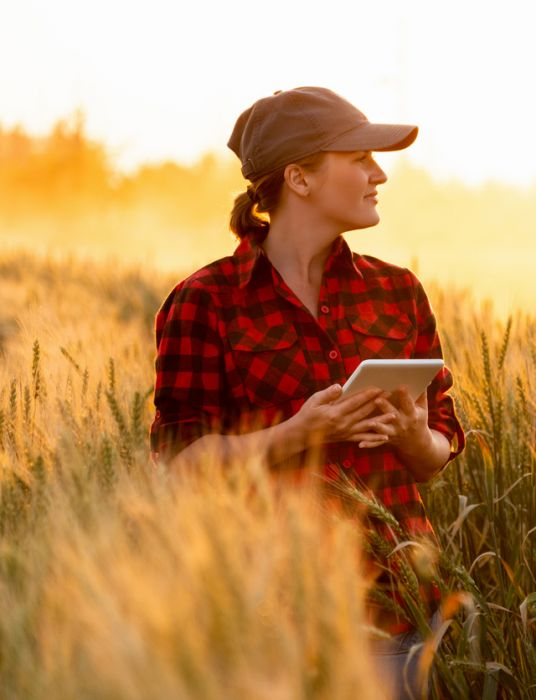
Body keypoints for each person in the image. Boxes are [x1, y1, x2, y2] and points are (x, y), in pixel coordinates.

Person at [149, 86, 465, 698]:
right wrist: (298, 434)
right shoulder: (206, 302)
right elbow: (179, 464)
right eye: (361, 159)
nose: (380, 174)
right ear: (299, 177)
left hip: (395, 609)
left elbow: (439, 451)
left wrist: (412, 438)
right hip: (269, 617)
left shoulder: (398, 293)